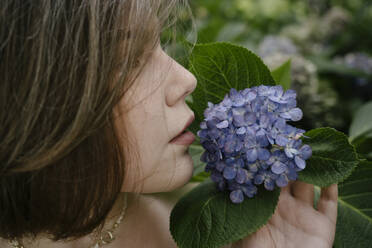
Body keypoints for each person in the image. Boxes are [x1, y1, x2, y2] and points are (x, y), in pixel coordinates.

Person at [0, 0, 338, 247]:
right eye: (130, 59)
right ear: (37, 96)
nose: (187, 79)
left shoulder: (190, 231)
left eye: (162, 45)